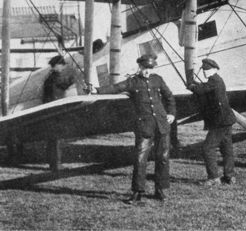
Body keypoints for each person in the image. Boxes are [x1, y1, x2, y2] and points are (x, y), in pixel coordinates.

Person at [97, 54, 176, 204]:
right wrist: (97, 90)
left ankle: (161, 190)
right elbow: (115, 87)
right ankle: (137, 193)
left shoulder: (157, 79)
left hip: (162, 125)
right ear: (139, 67)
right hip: (145, 127)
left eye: (150, 68)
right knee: (140, 159)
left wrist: (171, 113)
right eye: (145, 68)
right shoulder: (133, 82)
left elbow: (169, 96)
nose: (147, 71)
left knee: (163, 158)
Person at [187, 58, 236, 186]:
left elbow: (201, 90)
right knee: (227, 149)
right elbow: (205, 88)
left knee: (207, 148)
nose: (205, 72)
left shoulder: (214, 80)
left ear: (214, 70)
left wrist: (191, 86)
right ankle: (229, 176)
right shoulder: (215, 80)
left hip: (219, 122)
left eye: (207, 70)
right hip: (226, 120)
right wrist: (195, 85)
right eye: (204, 70)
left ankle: (214, 177)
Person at [41, 55, 77, 171]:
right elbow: (62, 87)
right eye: (62, 65)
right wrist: (73, 80)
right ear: (56, 65)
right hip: (54, 110)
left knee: (52, 138)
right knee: (56, 138)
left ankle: (53, 163)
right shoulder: (55, 77)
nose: (63, 68)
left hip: (49, 109)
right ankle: (56, 164)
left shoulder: (50, 77)